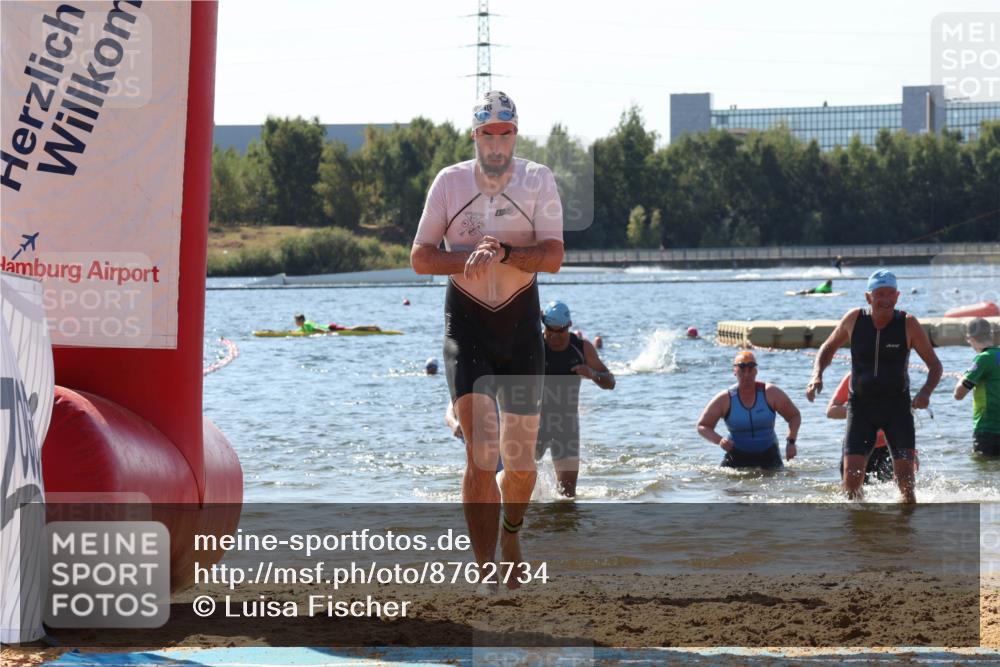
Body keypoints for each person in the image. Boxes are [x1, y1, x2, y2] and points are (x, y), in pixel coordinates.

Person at [410, 90, 564, 589]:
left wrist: (508, 252)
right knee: (480, 452)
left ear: (515, 136)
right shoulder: (450, 183)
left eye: (505, 135)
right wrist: (466, 260)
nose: (496, 145)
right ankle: (485, 572)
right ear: (474, 136)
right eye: (487, 135)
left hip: (520, 328)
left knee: (520, 468)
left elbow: (554, 256)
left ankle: (512, 534)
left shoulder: (537, 179)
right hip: (469, 324)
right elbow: (420, 257)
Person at [806, 270, 942, 503]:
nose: (885, 300)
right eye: (879, 294)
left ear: (898, 296)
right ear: (868, 297)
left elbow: (935, 366)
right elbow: (827, 348)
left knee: (906, 483)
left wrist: (925, 392)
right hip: (861, 409)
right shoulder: (854, 319)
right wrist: (816, 375)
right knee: (851, 480)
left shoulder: (908, 323)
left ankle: (904, 534)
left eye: (890, 294)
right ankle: (859, 533)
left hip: (897, 409)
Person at [534, 301, 615, 498]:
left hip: (567, 426)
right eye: (549, 330)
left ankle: (563, 528)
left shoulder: (581, 348)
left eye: (559, 331)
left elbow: (610, 382)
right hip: (534, 424)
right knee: (518, 480)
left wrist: (592, 374)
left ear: (568, 326)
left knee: (568, 495)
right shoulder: (535, 344)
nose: (553, 335)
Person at [697, 351, 801, 469]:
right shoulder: (725, 399)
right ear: (734, 371)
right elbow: (702, 426)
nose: (746, 374)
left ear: (756, 371)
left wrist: (791, 442)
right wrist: (719, 440)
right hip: (736, 453)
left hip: (769, 452)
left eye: (751, 368)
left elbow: (794, 416)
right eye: (742, 368)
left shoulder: (771, 393)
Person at [827, 372, 895, 483]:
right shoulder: (853, 376)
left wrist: (912, 453)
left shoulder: (895, 375)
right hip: (857, 444)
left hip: (887, 446)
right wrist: (863, 412)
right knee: (851, 494)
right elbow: (832, 411)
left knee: (890, 493)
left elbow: (904, 416)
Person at [954, 317, 1000, 456]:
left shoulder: (983, 358)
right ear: (991, 334)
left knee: (983, 469)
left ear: (970, 338)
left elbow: (958, 394)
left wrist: (962, 378)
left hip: (988, 429)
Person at [293, 314, 381, 334]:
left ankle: (373, 327)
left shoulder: (307, 324)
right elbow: (299, 330)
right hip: (329, 328)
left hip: (330, 328)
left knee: (351, 329)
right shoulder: (303, 326)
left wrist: (327, 333)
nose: (295, 322)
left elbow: (316, 329)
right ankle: (372, 327)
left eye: (296, 320)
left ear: (301, 320)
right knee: (350, 329)